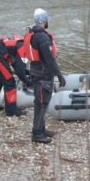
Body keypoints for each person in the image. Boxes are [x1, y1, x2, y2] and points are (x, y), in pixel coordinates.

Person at [23, 8, 66, 144]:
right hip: (43, 76)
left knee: (42, 103)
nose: (48, 22)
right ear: (44, 21)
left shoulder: (33, 33)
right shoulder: (42, 37)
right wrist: (59, 75)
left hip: (37, 73)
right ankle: (37, 133)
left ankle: (41, 129)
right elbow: (49, 59)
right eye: (47, 20)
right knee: (41, 104)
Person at [0, 35, 31, 116]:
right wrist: (28, 82)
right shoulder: (23, 47)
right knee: (9, 82)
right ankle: (11, 111)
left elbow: (17, 66)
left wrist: (28, 72)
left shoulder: (20, 43)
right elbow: (20, 71)